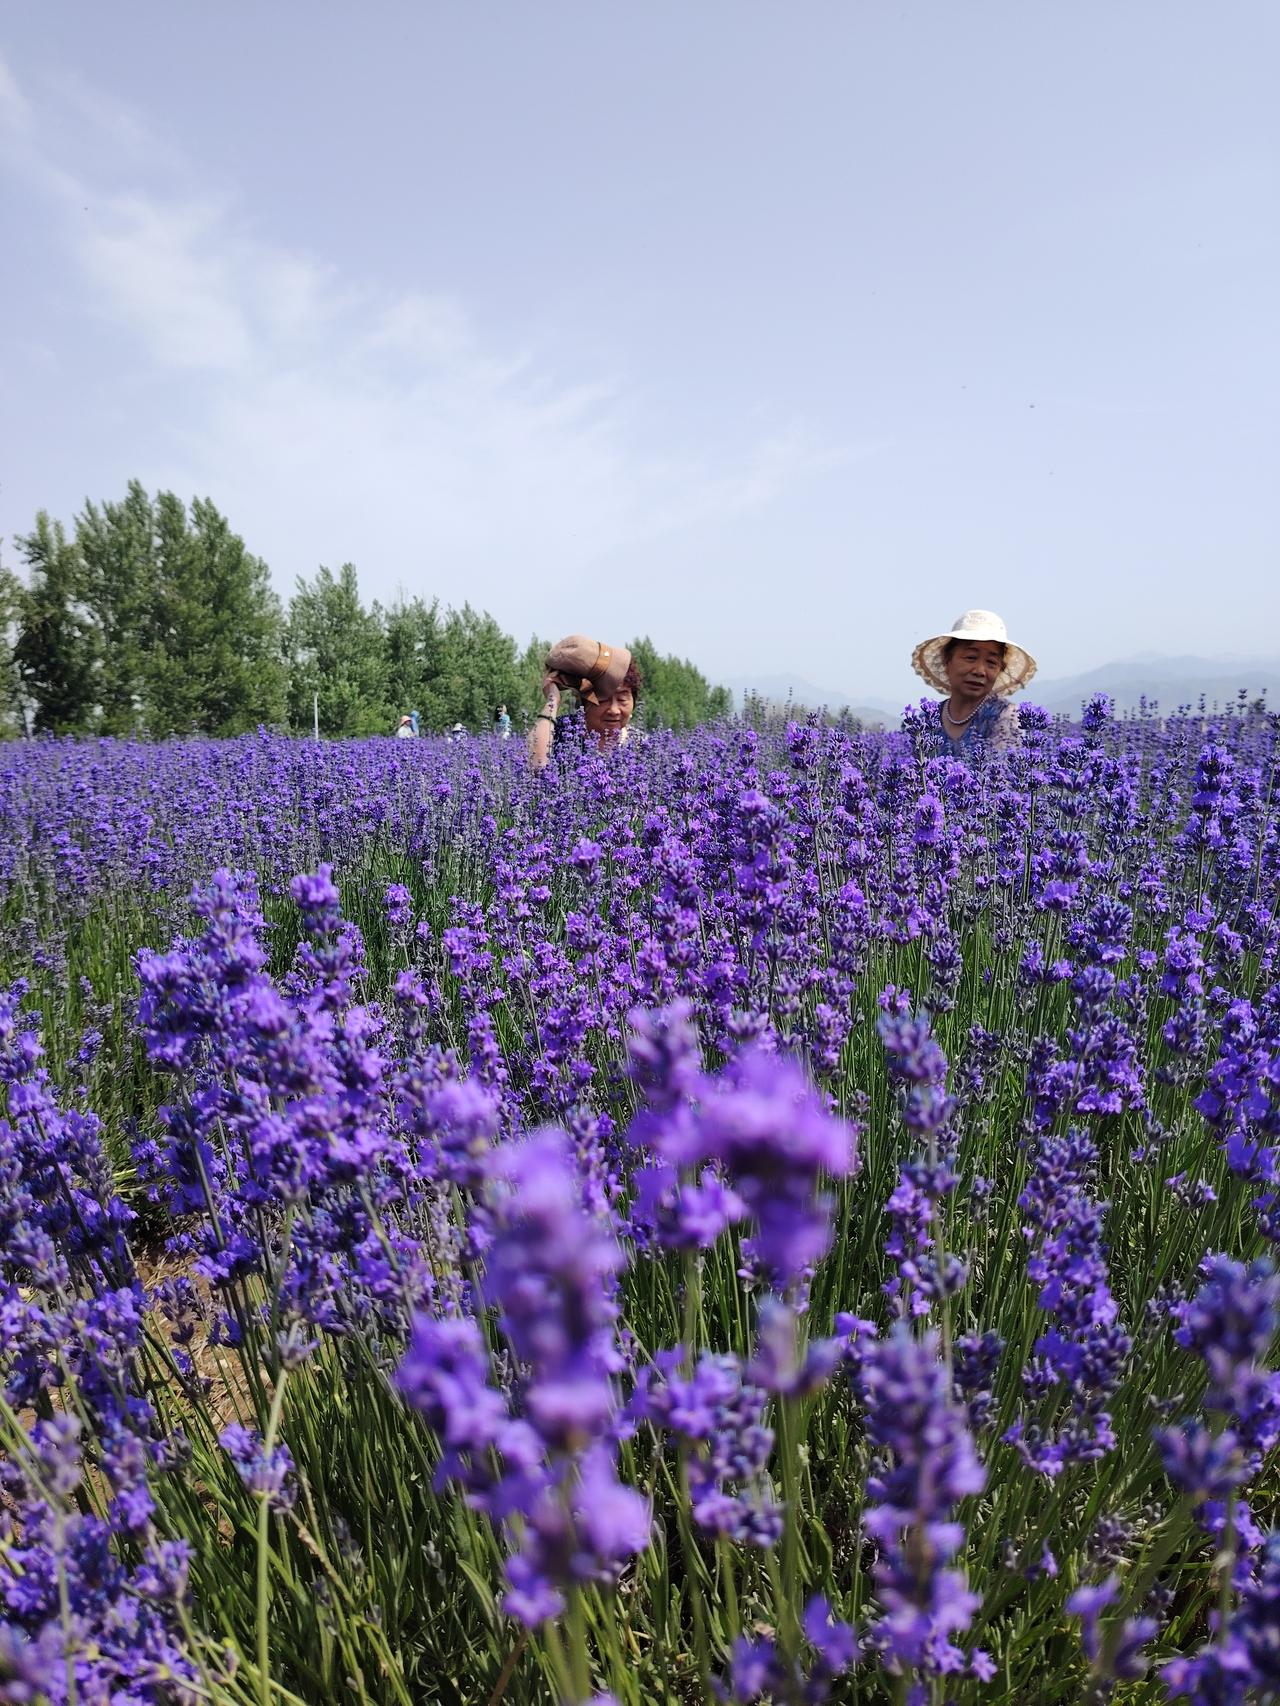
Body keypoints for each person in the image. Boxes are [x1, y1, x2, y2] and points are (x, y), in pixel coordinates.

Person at [910, 609, 1036, 755]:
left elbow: (1003, 774)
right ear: (947, 660)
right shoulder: (927, 718)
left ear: (1001, 668)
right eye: (971, 657)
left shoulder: (1006, 717)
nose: (980, 671)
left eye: (991, 662)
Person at [529, 634, 640, 770]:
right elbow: (535, 770)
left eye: (622, 699)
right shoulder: (562, 733)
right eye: (603, 699)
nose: (614, 710)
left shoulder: (641, 746)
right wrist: (552, 701)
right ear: (582, 701)